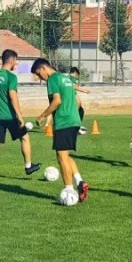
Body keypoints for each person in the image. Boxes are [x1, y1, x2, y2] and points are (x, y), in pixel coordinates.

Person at [33, 59, 89, 203]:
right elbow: (77, 101)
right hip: (74, 119)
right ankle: (80, 182)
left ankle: (69, 190)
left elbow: (56, 101)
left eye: (40, 74)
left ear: (44, 68)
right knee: (65, 154)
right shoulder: (66, 78)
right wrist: (72, 114)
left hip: (64, 121)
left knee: (61, 156)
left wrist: (42, 116)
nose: (41, 78)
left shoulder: (52, 79)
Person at [0, 49, 41, 185]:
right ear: (11, 61)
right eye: (16, 60)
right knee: (25, 138)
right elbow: (13, 96)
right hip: (9, 116)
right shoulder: (11, 77)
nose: (17, 63)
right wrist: (19, 115)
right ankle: (28, 166)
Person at [70, 67, 91, 135]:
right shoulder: (71, 78)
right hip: (70, 100)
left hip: (70, 99)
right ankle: (75, 127)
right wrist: (84, 90)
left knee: (80, 111)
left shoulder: (67, 78)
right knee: (78, 112)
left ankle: (77, 126)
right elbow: (74, 86)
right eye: (77, 76)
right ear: (75, 73)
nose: (76, 78)